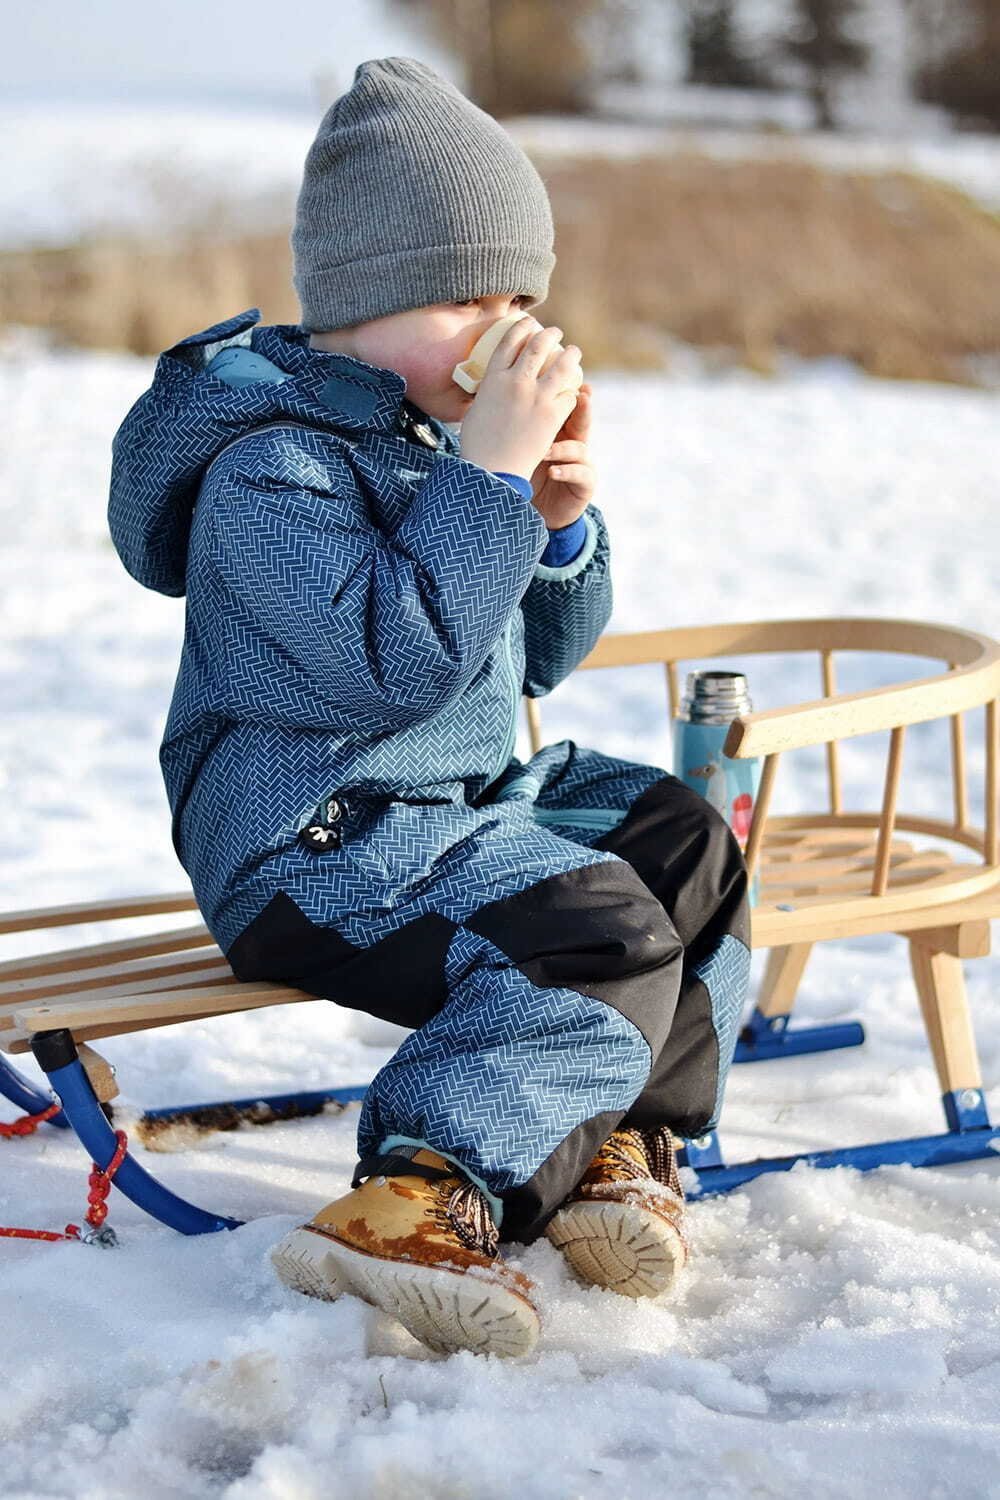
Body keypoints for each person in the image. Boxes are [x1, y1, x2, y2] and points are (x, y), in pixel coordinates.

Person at [108, 56, 751, 1360]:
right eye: (472, 297)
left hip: (443, 803)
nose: (508, 327)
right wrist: (496, 480)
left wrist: (555, 525)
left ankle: (628, 1138)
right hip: (306, 839)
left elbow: (526, 662)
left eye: (524, 296)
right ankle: (417, 1190)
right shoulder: (268, 469)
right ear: (361, 300)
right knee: (596, 930)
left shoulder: (428, 445)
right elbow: (382, 668)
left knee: (680, 842)